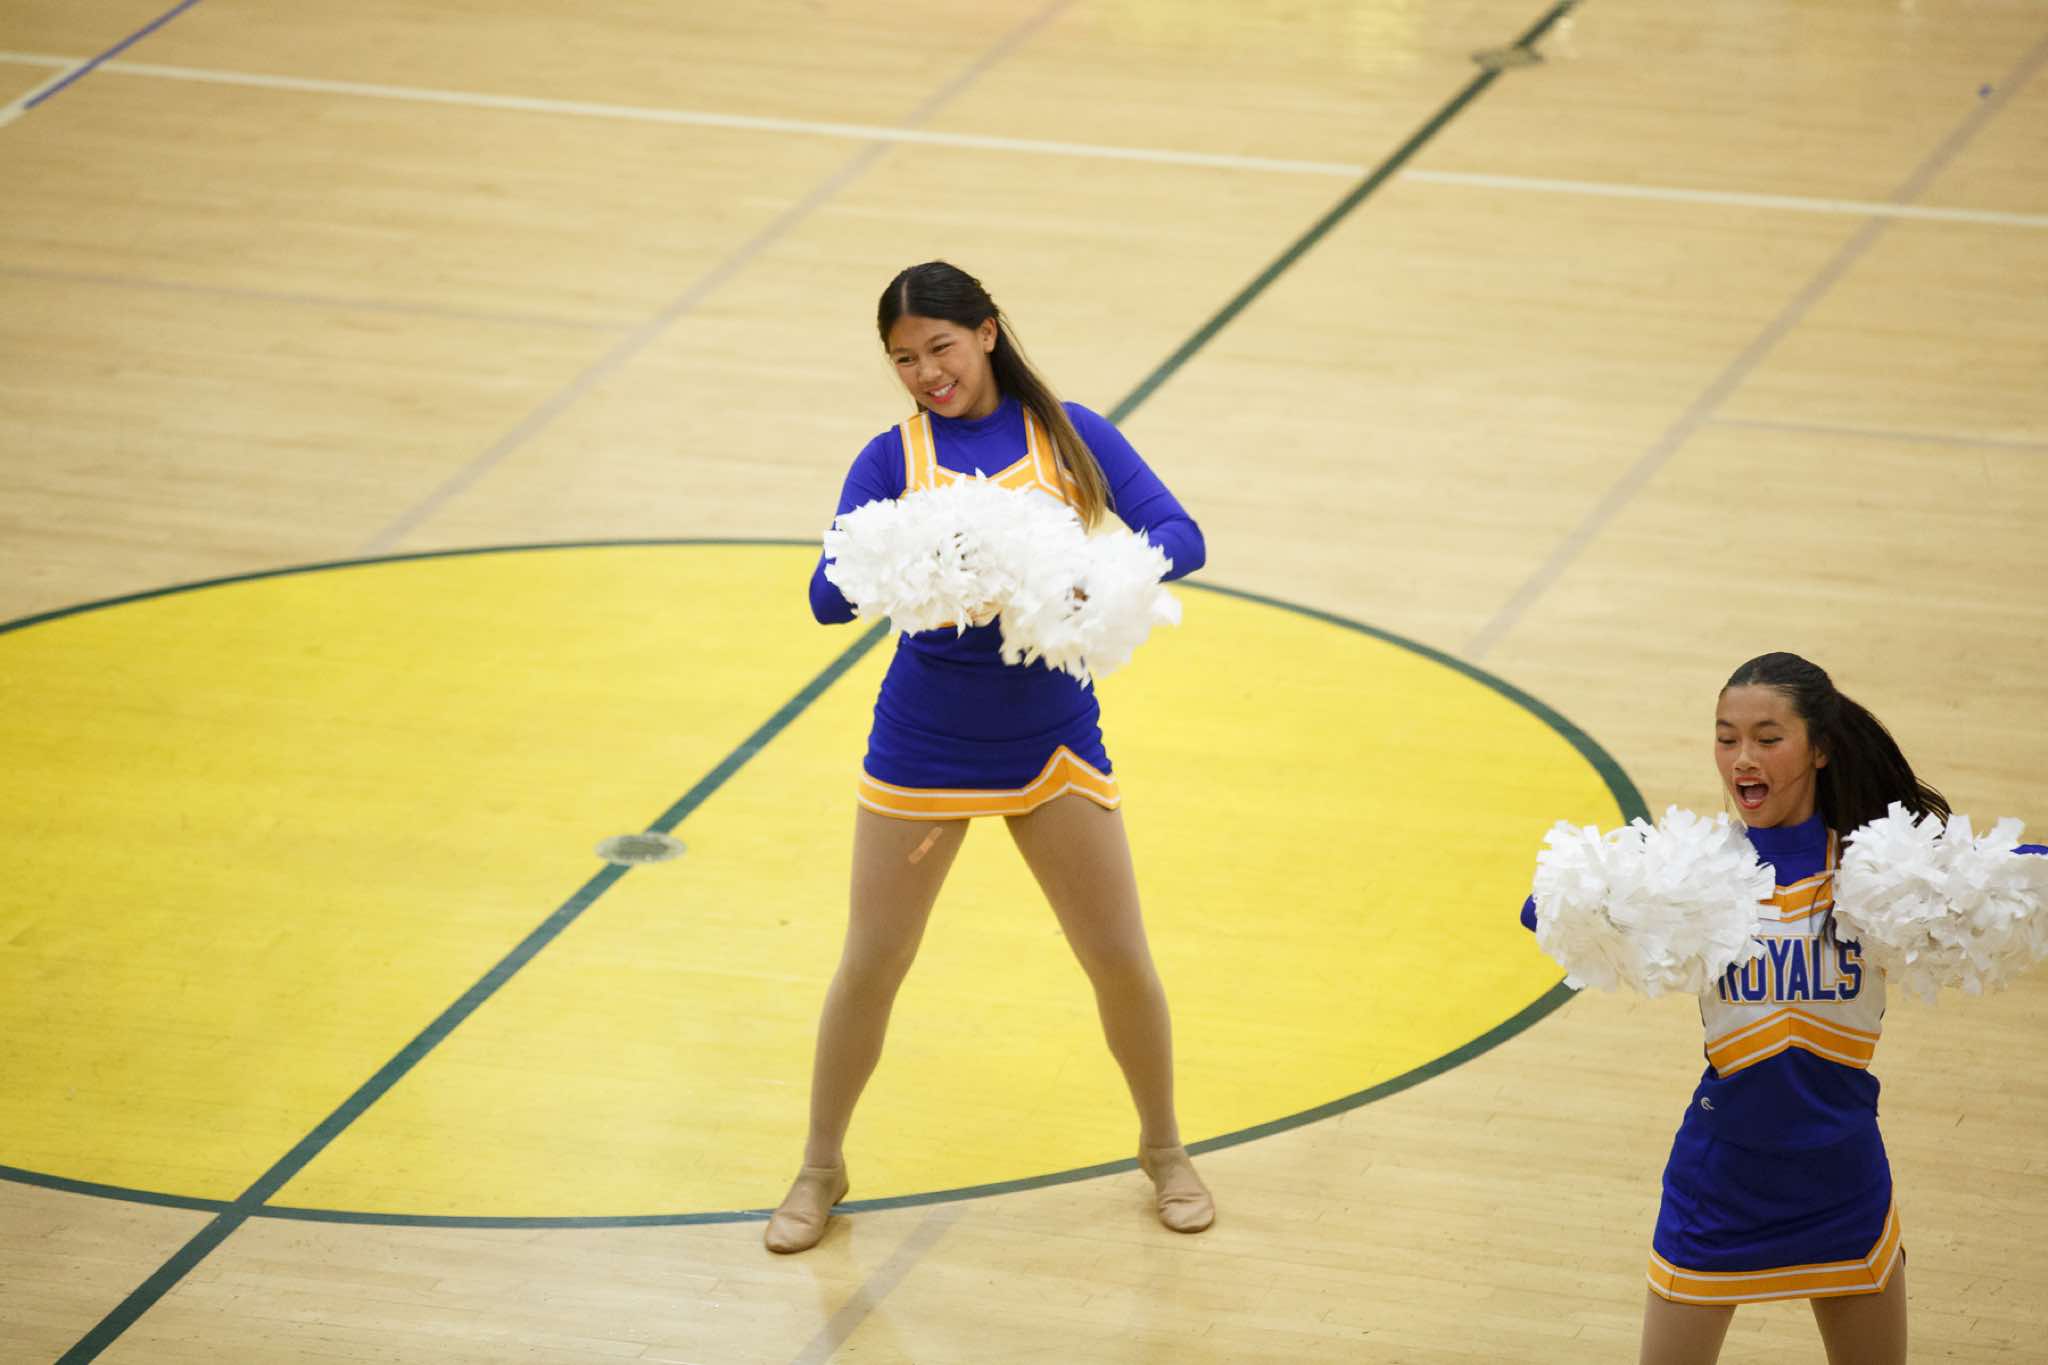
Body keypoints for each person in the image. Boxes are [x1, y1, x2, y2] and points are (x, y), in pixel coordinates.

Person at [766, 261, 1211, 1254]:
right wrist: (915, 561)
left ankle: (1165, 1150)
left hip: (1049, 739)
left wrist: (1086, 575)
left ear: (988, 333)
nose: (927, 373)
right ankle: (819, 1166)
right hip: (922, 744)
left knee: (1116, 956)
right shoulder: (893, 458)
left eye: (940, 348)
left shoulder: (1069, 435)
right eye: (903, 359)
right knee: (872, 962)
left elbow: (1182, 537)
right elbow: (825, 596)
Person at [1523, 652, 2043, 1364]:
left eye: (1768, 738)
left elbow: (2019, 879)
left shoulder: (1880, 874)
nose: (1742, 758)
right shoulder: (1700, 875)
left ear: (1820, 747)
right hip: (1720, 1186)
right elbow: (1543, 909)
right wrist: (1617, 891)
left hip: (1843, 1182)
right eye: (1726, 738)